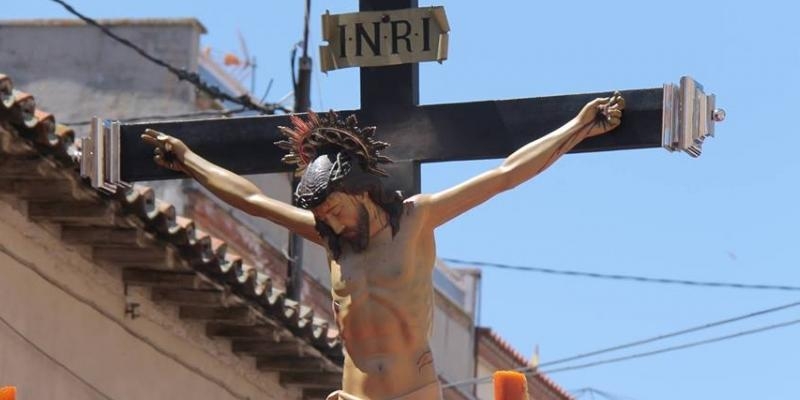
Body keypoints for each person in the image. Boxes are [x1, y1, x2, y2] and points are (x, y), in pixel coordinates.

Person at [141, 92, 625, 400]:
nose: (326, 221)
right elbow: (251, 200)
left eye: (332, 208)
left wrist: (579, 126)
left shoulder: (416, 219)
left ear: (359, 191)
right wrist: (189, 162)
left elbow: (504, 175)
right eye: (319, 215)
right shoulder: (334, 243)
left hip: (412, 393)